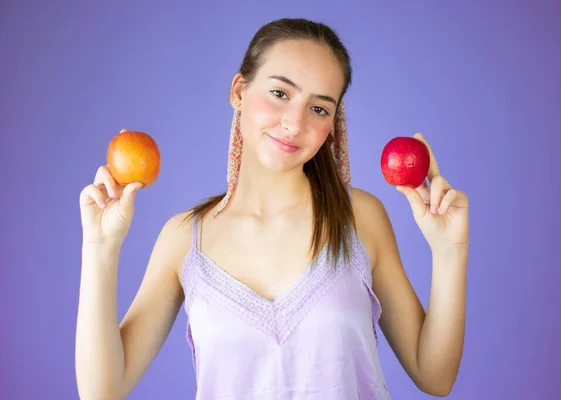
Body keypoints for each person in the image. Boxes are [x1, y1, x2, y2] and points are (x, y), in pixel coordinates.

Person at [75, 18, 469, 400]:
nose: (294, 123)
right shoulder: (184, 240)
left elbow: (434, 375)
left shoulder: (360, 218)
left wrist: (450, 249)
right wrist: (99, 247)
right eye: (280, 93)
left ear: (333, 124)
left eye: (319, 108)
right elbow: (102, 391)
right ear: (238, 91)